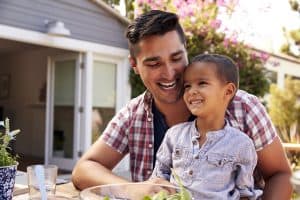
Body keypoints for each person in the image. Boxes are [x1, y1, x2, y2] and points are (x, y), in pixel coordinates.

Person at [72, 10, 292, 199]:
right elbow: (83, 169)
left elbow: (280, 175)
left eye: (176, 58)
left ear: (186, 50)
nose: (169, 73)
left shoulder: (243, 107)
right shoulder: (133, 114)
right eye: (154, 63)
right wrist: (133, 189)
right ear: (135, 65)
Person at [151, 53, 262, 199]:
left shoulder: (242, 145)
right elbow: (158, 178)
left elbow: (244, 194)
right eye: (187, 86)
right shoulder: (174, 135)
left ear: (228, 91)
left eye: (202, 83)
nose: (192, 91)